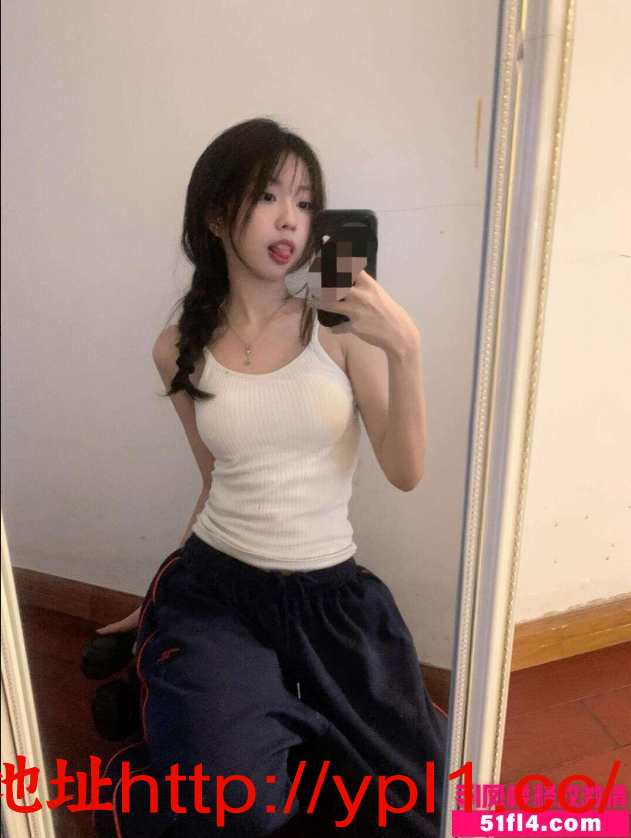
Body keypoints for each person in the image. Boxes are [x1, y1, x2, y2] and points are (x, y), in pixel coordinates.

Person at [94, 117, 448, 838]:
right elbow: (215, 483)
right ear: (216, 214)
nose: (290, 218)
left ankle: (216, 714)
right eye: (267, 196)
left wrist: (404, 350)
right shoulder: (176, 348)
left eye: (305, 201)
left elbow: (405, 472)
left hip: (332, 601)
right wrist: (157, 595)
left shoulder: (339, 329)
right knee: (240, 813)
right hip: (216, 592)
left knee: (420, 809)